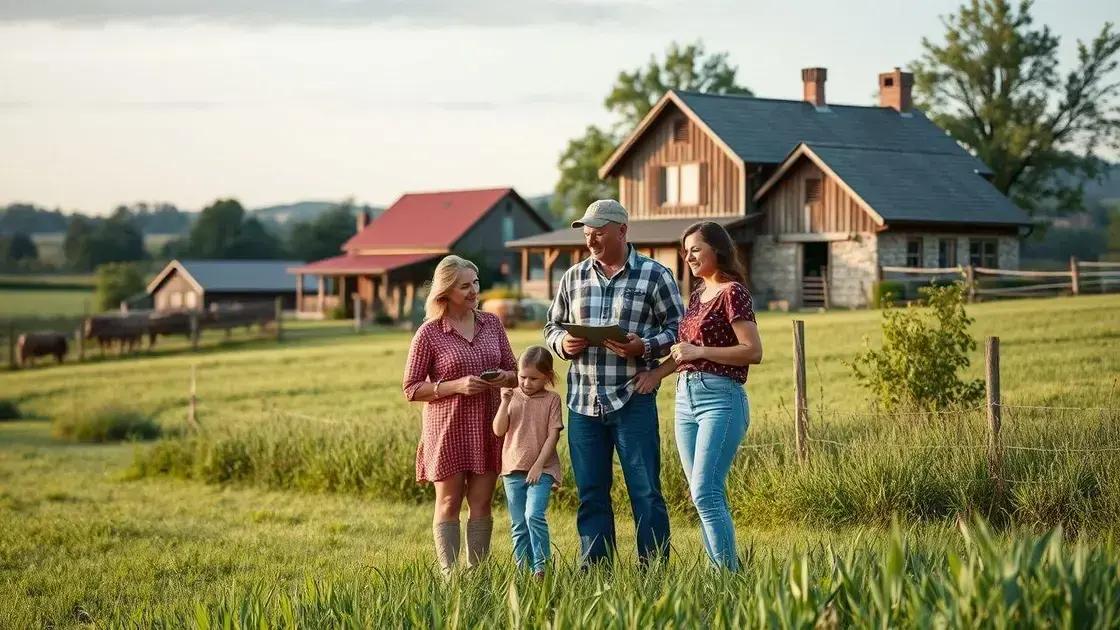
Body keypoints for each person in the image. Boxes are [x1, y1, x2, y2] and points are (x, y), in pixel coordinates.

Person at [544, 199, 684, 566]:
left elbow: (679, 330)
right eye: (587, 232)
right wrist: (563, 343)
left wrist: (645, 346)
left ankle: (653, 569)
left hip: (632, 399)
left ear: (622, 231)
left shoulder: (656, 275)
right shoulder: (573, 277)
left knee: (645, 491)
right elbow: (552, 326)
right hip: (583, 403)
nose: (590, 239)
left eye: (598, 232)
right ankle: (596, 569)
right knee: (591, 493)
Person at [639, 221, 763, 570]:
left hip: (720, 399)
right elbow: (685, 352)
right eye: (686, 250)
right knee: (701, 496)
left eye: (696, 249)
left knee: (706, 492)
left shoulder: (732, 292)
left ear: (716, 250)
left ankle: (728, 576)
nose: (688, 255)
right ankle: (718, 572)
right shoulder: (696, 295)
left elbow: (752, 351)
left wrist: (700, 352)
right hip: (685, 399)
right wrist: (656, 374)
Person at [402, 255, 518, 575]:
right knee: (449, 503)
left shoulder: (491, 323)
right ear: (446, 291)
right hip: (447, 428)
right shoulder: (429, 333)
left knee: (481, 503)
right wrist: (456, 386)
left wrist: (503, 377)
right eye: (464, 286)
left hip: (488, 424)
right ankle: (450, 577)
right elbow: (411, 388)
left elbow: (514, 369)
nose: (473, 291)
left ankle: (477, 573)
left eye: (475, 283)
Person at [492, 346, 564, 577]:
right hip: (512, 468)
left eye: (534, 378)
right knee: (519, 525)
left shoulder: (552, 400)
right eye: (523, 377)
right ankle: (523, 570)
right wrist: (503, 403)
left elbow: (553, 435)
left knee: (533, 515)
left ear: (548, 377)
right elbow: (498, 430)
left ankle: (541, 568)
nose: (526, 383)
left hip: (542, 469)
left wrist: (538, 466)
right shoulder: (512, 396)